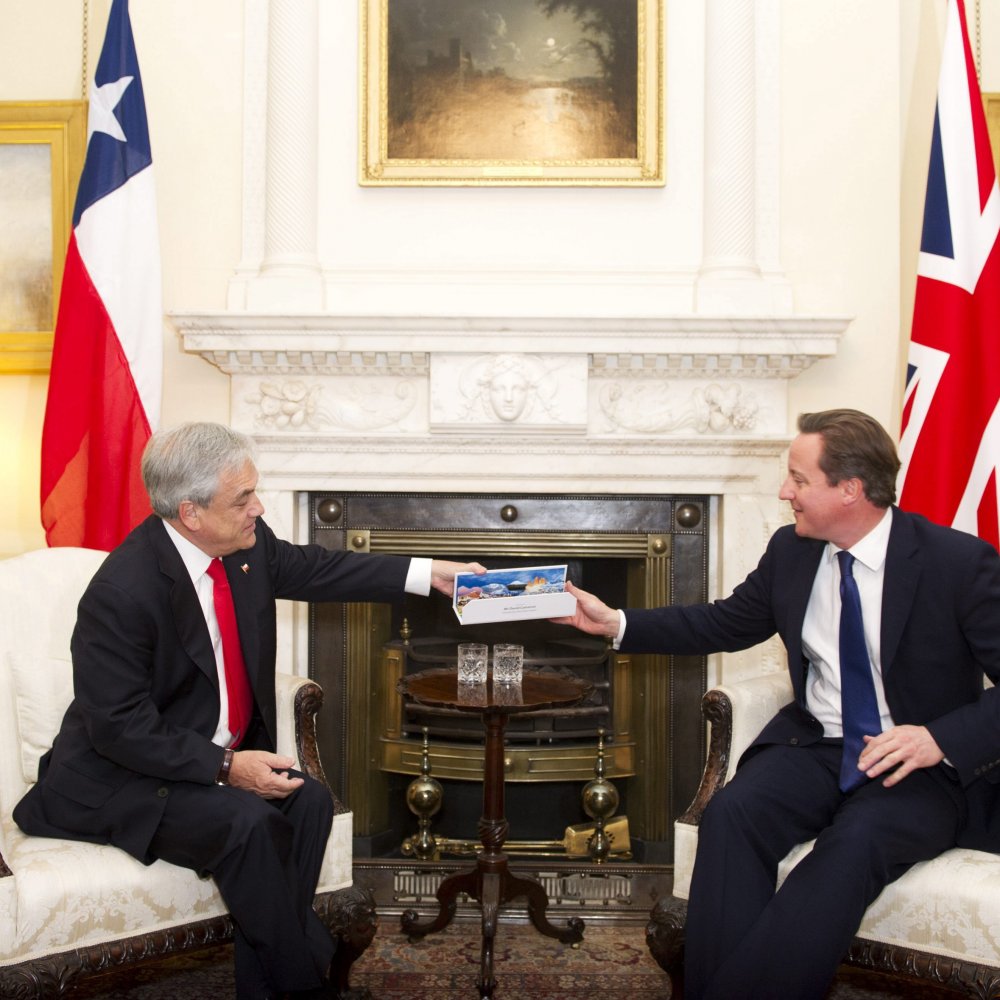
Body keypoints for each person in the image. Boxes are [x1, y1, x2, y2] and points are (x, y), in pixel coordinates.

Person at [14, 422, 485, 1000]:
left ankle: (271, 981)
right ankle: (307, 976)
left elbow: (320, 569)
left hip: (201, 760)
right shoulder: (122, 592)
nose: (258, 508)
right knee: (250, 823)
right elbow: (120, 727)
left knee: (308, 800)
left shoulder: (244, 549)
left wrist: (429, 574)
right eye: (243, 498)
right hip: (119, 775)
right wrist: (226, 768)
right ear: (191, 513)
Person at [552, 408, 1000, 1000]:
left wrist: (936, 739)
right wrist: (616, 623)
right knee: (733, 814)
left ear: (850, 489)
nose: (784, 491)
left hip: (914, 765)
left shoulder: (958, 564)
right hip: (815, 746)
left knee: (850, 848)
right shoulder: (793, 550)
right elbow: (724, 621)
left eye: (799, 478)